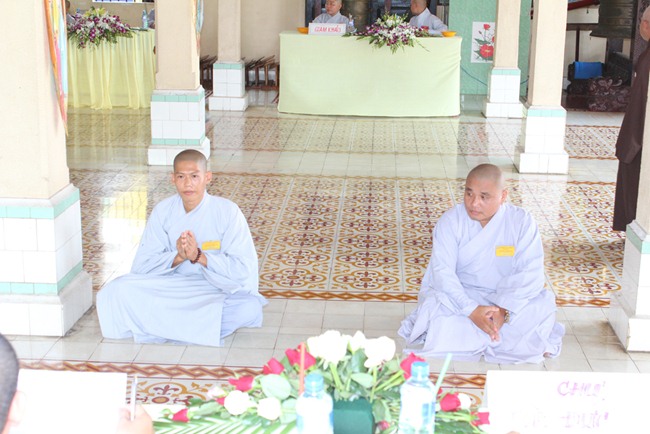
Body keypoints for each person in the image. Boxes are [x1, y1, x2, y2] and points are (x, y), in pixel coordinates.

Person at [97, 150, 266, 347]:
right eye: (181, 177)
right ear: (173, 179)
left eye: (194, 176)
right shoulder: (163, 211)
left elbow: (243, 269)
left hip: (213, 288)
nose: (188, 184)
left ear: (207, 177)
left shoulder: (227, 211)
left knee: (248, 308)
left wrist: (199, 256)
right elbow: (142, 266)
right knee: (116, 290)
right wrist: (178, 257)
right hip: (174, 286)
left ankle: (162, 326)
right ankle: (193, 328)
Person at [398, 164, 564, 364]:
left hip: (508, 300)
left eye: (484, 197)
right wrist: (472, 310)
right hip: (463, 296)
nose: (474, 203)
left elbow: (531, 273)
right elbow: (442, 273)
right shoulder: (451, 221)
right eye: (469, 194)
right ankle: (495, 338)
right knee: (438, 308)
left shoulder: (521, 222)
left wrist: (504, 310)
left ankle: (481, 336)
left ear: (503, 196)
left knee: (540, 306)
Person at [612, 7, 650, 231]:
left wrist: (632, 141)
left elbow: (641, 103)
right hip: (638, 132)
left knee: (633, 181)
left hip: (640, 134)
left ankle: (635, 229)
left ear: (645, 25)